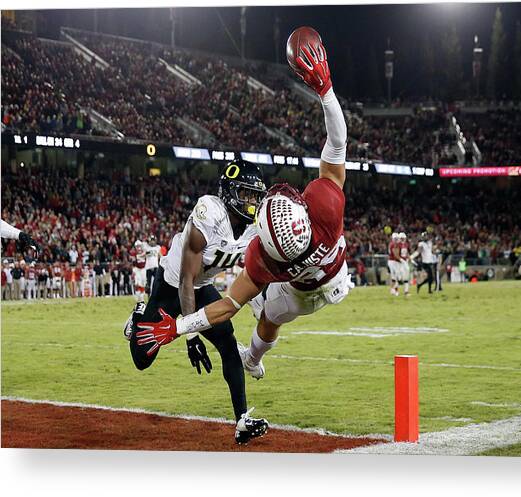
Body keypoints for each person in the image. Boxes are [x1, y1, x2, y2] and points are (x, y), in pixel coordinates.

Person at [135, 32, 353, 387]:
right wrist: (326, 89)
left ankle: (252, 358)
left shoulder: (263, 258)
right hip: (336, 274)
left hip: (296, 295)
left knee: (269, 316)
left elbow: (223, 307)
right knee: (265, 310)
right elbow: (339, 143)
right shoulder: (326, 212)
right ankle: (251, 358)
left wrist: (177, 327)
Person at [125, 160, 269, 445]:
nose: (252, 202)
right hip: (173, 285)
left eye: (256, 196)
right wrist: (190, 336)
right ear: (229, 193)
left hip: (201, 287)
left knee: (228, 343)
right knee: (142, 359)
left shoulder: (256, 226)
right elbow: (185, 281)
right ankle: (140, 316)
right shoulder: (209, 213)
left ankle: (242, 420)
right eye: (246, 194)